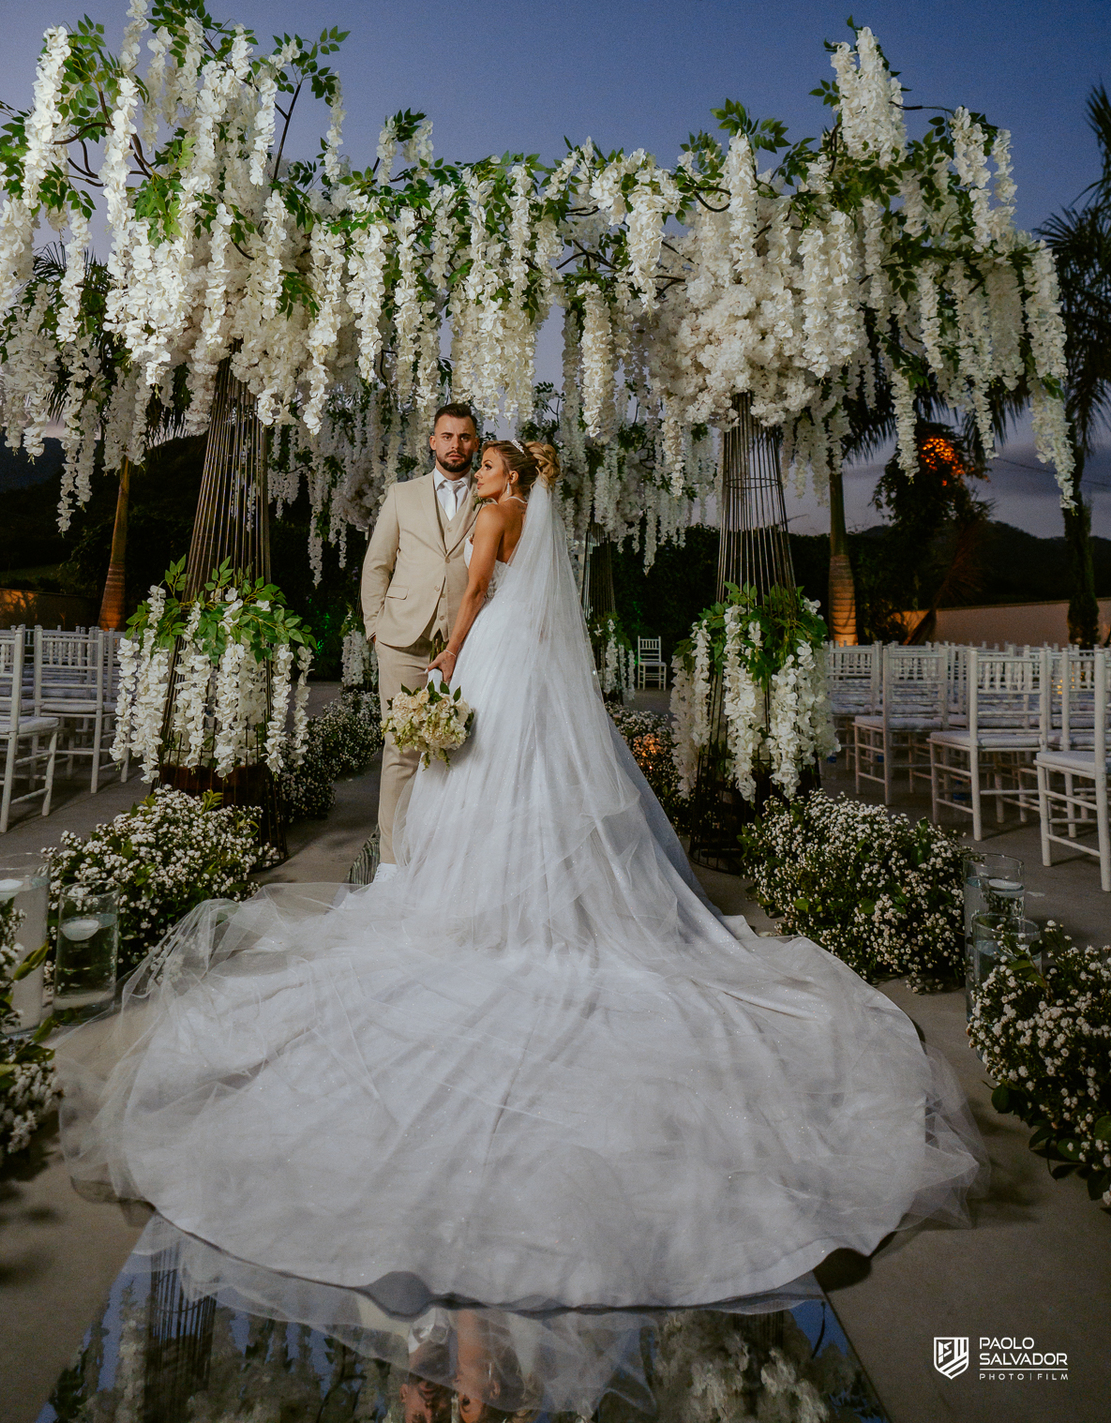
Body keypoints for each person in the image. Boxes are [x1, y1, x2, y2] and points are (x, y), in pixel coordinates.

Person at [57, 439, 983, 1316]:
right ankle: (533, 902)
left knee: (475, 781)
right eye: (485, 462)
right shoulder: (537, 524)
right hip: (526, 658)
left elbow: (468, 601)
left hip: (487, 651)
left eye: (494, 462)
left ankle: (481, 910)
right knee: (514, 780)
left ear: (505, 478)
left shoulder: (499, 519)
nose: (487, 473)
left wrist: (453, 656)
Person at [360, 403, 480, 868]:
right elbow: (377, 565)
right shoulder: (402, 494)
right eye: (447, 436)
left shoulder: (489, 495)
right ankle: (392, 864)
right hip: (402, 641)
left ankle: (445, 865)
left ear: (475, 442)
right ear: (432, 441)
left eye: (465, 437)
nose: (455, 445)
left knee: (464, 750)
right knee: (402, 750)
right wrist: (376, 629)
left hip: (464, 644)